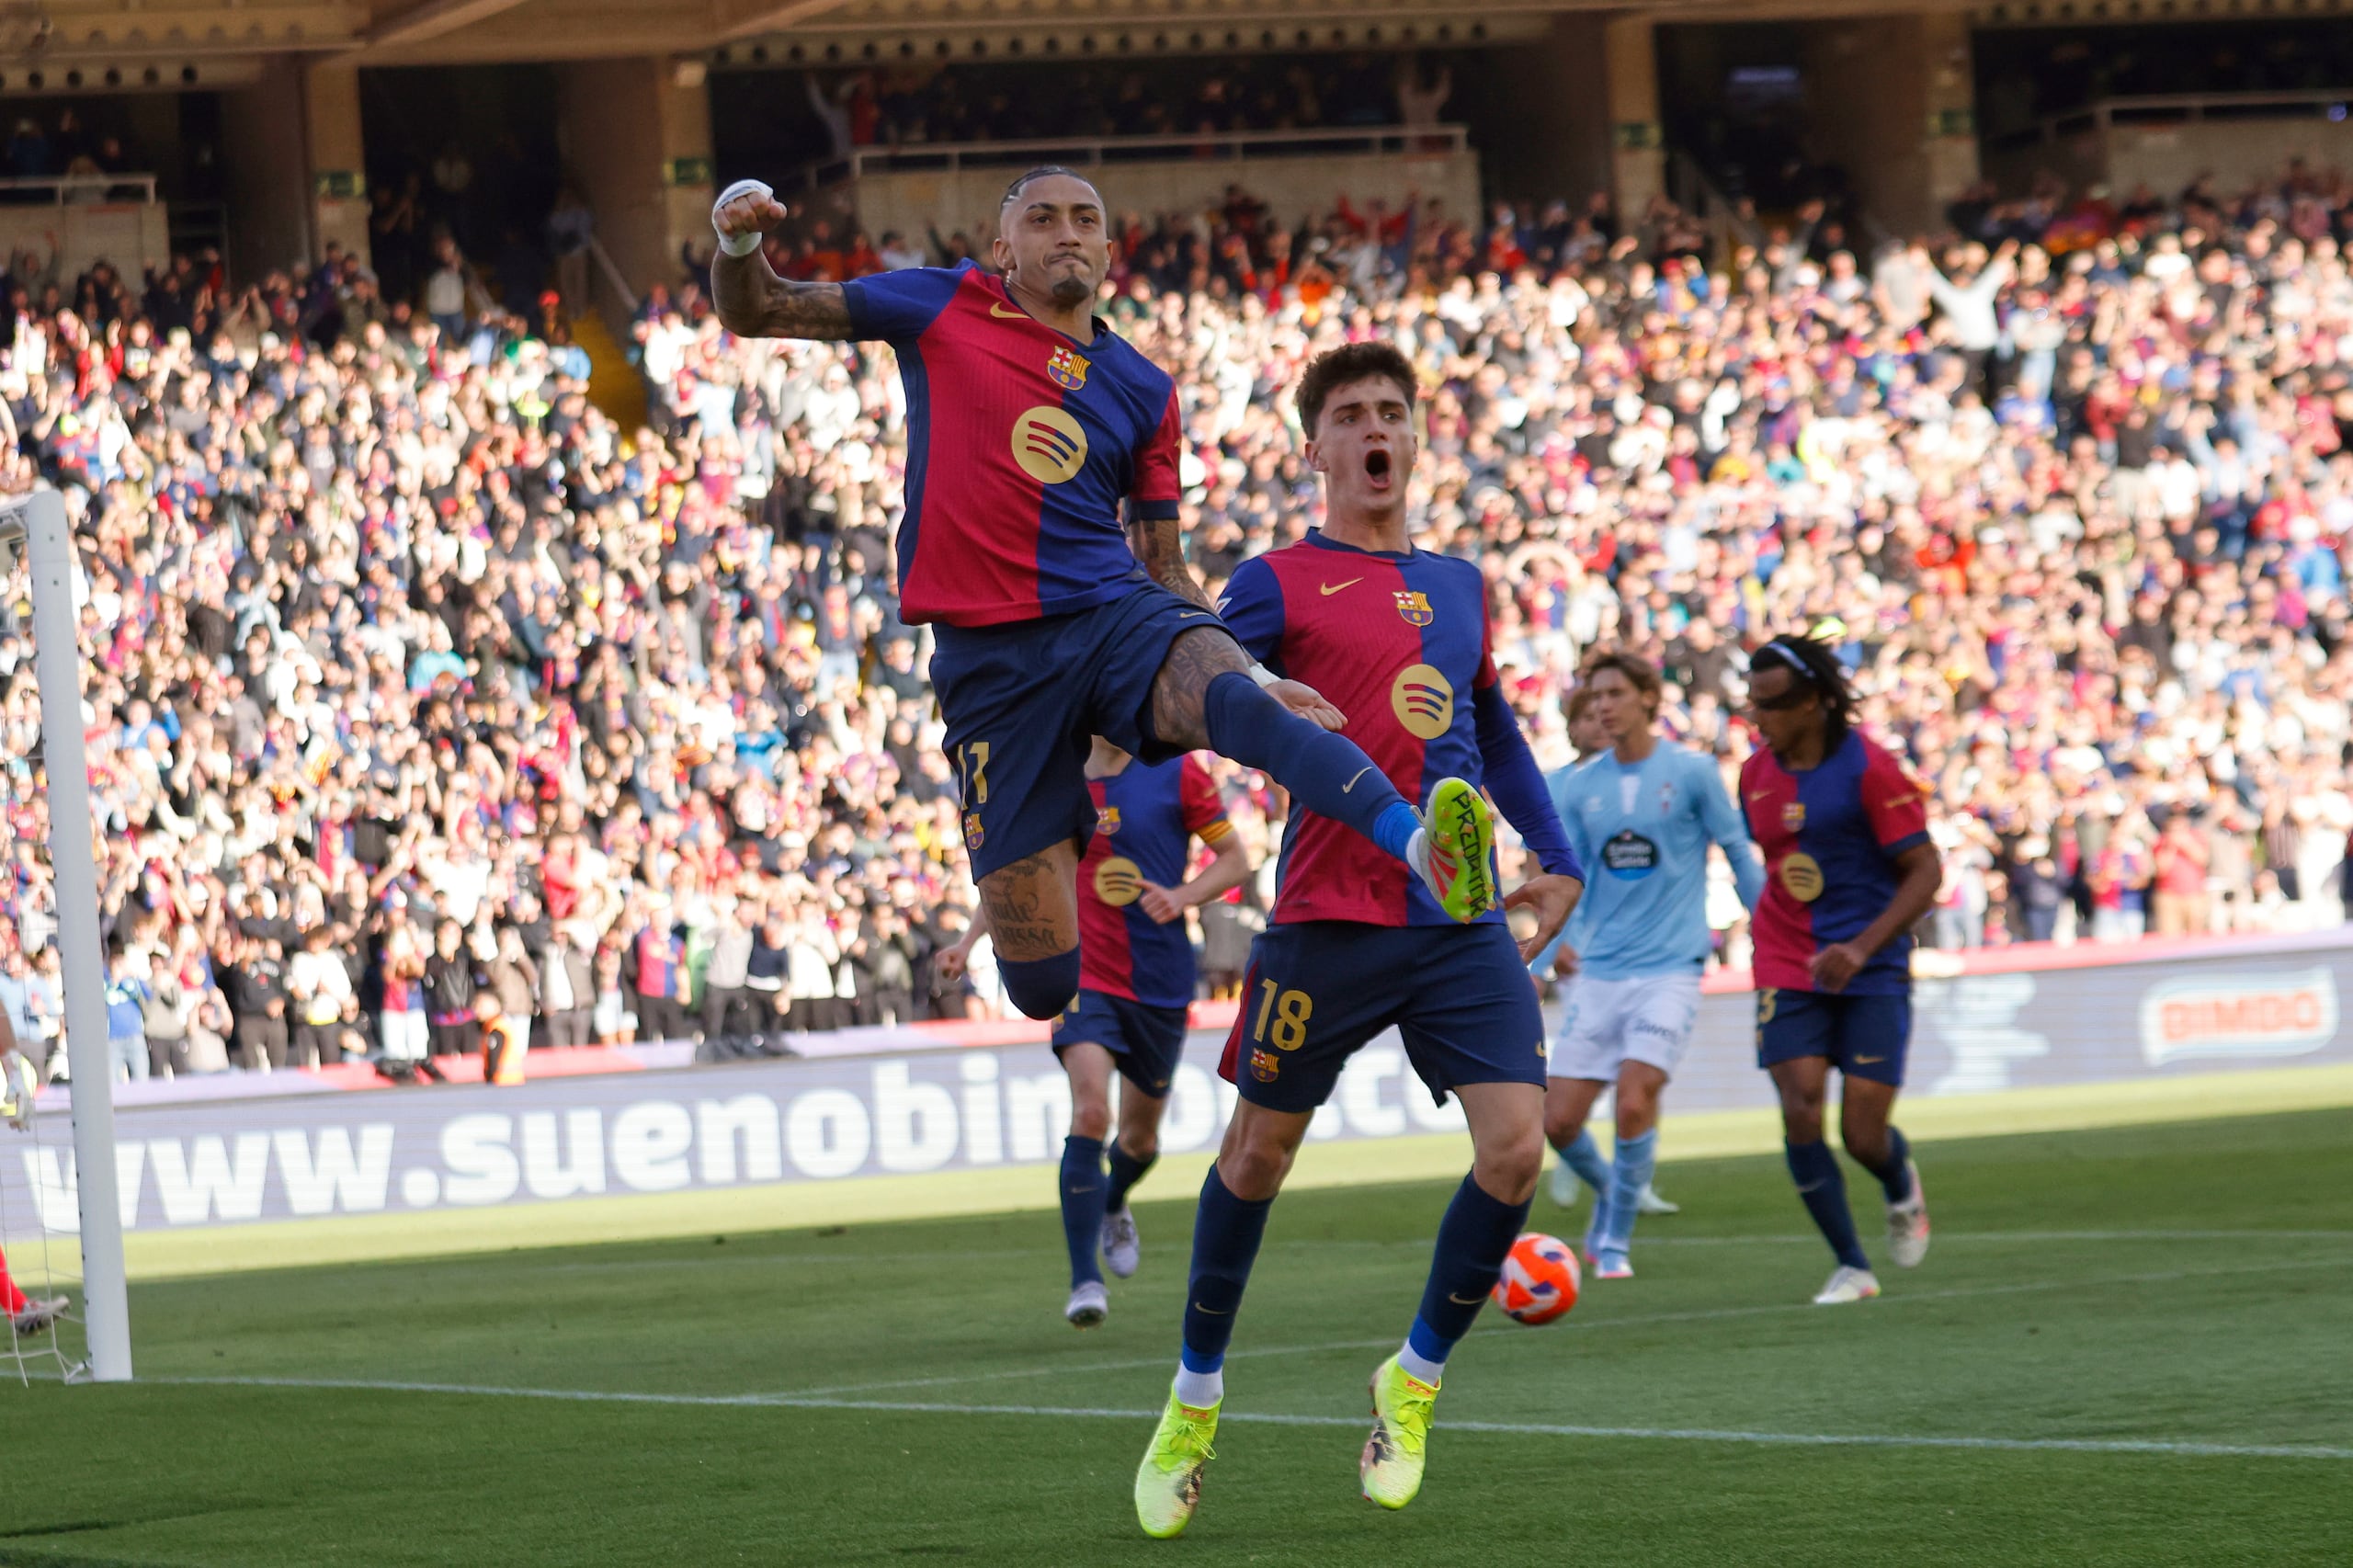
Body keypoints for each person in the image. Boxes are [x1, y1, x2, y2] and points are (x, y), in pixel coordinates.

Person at [710, 166, 1513, 1037]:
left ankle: (1419, 845)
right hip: (991, 664)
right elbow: (761, 310)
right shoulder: (944, 305)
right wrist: (740, 242)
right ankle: (1066, 819)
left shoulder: (1145, 388)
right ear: (1001, 245)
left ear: (1107, 250)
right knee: (1043, 985)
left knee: (1246, 705)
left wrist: (1244, 666)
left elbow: (1162, 565)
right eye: (1042, 217)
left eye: (1085, 220)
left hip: (1112, 614)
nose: (1066, 232)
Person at [1131, 343, 1585, 1536]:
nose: (1376, 428)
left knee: (1515, 1152)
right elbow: (1202, 684)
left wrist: (1558, 852)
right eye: (1351, 414)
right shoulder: (1279, 580)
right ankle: (1194, 1396)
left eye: (1393, 410)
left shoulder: (1462, 583)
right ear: (1318, 446)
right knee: (1255, 1160)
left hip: (1455, 915)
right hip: (1326, 920)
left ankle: (1415, 1377)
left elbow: (1492, 730)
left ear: (1414, 436)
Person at [939, 741, 1251, 1329]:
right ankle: (1086, 1280)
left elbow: (1235, 860)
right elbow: (1019, 876)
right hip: (1082, 974)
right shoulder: (1053, 777)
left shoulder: (1178, 771)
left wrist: (1182, 896)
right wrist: (967, 942)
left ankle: (1111, 1201)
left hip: (1159, 980)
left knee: (1140, 1143)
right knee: (1089, 1114)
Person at [1538, 651, 1761, 1279]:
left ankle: (1613, 1239)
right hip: (1601, 974)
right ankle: (1618, 1190)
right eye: (1594, 694)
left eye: (1614, 692)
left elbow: (1738, 849)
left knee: (1634, 1102)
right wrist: (1541, 959)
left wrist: (1768, 923)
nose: (1603, 705)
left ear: (1647, 699)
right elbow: (1566, 881)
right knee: (1557, 1121)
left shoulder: (1691, 773)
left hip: (1671, 968)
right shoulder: (1582, 787)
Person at [1741, 634, 1940, 1306]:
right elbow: (1779, 866)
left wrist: (1860, 945)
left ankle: (1897, 1179)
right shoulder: (1753, 774)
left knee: (1862, 1134)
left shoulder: (1872, 770)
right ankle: (1852, 1265)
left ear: (1816, 703)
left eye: (1771, 705)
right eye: (1752, 704)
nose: (1758, 718)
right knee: (1799, 1106)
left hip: (1871, 963)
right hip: (1785, 957)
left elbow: (1926, 871)